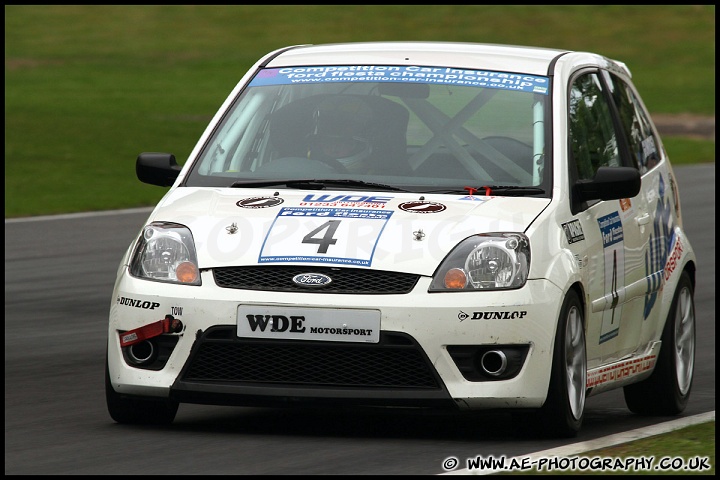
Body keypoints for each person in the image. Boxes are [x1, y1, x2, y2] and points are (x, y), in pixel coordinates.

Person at [306, 96, 374, 172]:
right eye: (328, 142)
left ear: (357, 145)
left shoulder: (377, 177)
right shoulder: (303, 171)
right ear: (319, 143)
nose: (333, 148)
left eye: (342, 142)